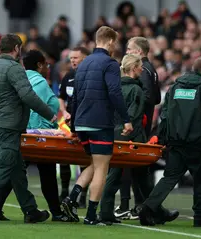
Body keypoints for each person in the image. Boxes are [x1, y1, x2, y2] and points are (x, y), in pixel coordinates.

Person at [0, 34, 57, 224]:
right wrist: (50, 115)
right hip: (9, 126)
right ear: (16, 48)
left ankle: (30, 210)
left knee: (16, 168)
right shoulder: (14, 69)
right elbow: (27, 96)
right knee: (5, 167)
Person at [139, 56, 201, 227]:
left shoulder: (175, 87)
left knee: (169, 178)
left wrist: (164, 138)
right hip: (198, 143)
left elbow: (164, 115)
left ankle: (148, 208)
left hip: (176, 142)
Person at [0, 50, 72, 222]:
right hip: (38, 135)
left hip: (21, 132)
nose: (48, 68)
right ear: (40, 65)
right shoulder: (39, 82)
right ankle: (56, 212)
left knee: (14, 170)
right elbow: (33, 109)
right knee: (47, 173)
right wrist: (39, 131)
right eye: (46, 65)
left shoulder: (22, 78)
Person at [61, 26, 133, 226]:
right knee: (103, 166)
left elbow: (74, 96)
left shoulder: (83, 65)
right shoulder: (110, 63)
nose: (115, 46)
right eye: (115, 43)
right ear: (110, 41)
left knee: (95, 163)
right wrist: (126, 119)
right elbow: (114, 92)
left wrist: (74, 124)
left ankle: (72, 197)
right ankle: (91, 215)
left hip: (82, 121)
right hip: (99, 121)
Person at [113, 36, 161, 219]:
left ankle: (128, 204)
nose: (126, 53)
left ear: (139, 52)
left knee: (126, 163)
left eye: (129, 50)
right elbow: (156, 99)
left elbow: (148, 96)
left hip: (136, 125)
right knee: (135, 165)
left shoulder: (144, 70)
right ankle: (141, 205)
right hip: (142, 123)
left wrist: (135, 100)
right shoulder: (151, 69)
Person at [58, 47, 90, 207]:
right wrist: (64, 112)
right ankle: (64, 191)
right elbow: (61, 97)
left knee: (83, 158)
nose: (73, 61)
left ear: (84, 58)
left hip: (83, 122)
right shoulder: (68, 77)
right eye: (71, 58)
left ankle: (83, 196)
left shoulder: (90, 77)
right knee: (64, 156)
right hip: (68, 122)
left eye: (76, 58)